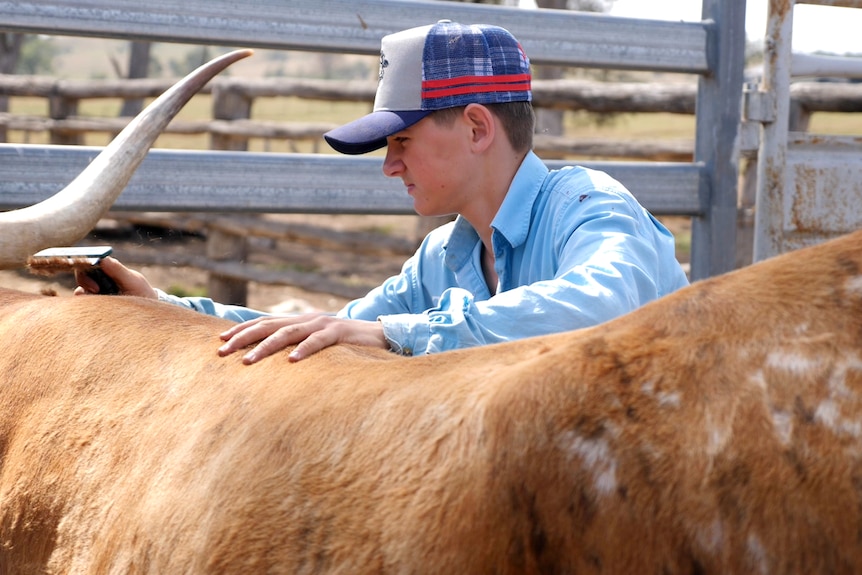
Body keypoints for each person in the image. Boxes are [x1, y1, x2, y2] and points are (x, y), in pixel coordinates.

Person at [76, 20, 690, 364]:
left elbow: (606, 301)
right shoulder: (445, 255)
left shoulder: (590, 205)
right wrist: (162, 305)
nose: (390, 166)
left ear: (477, 127)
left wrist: (405, 332)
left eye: (401, 140)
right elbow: (334, 326)